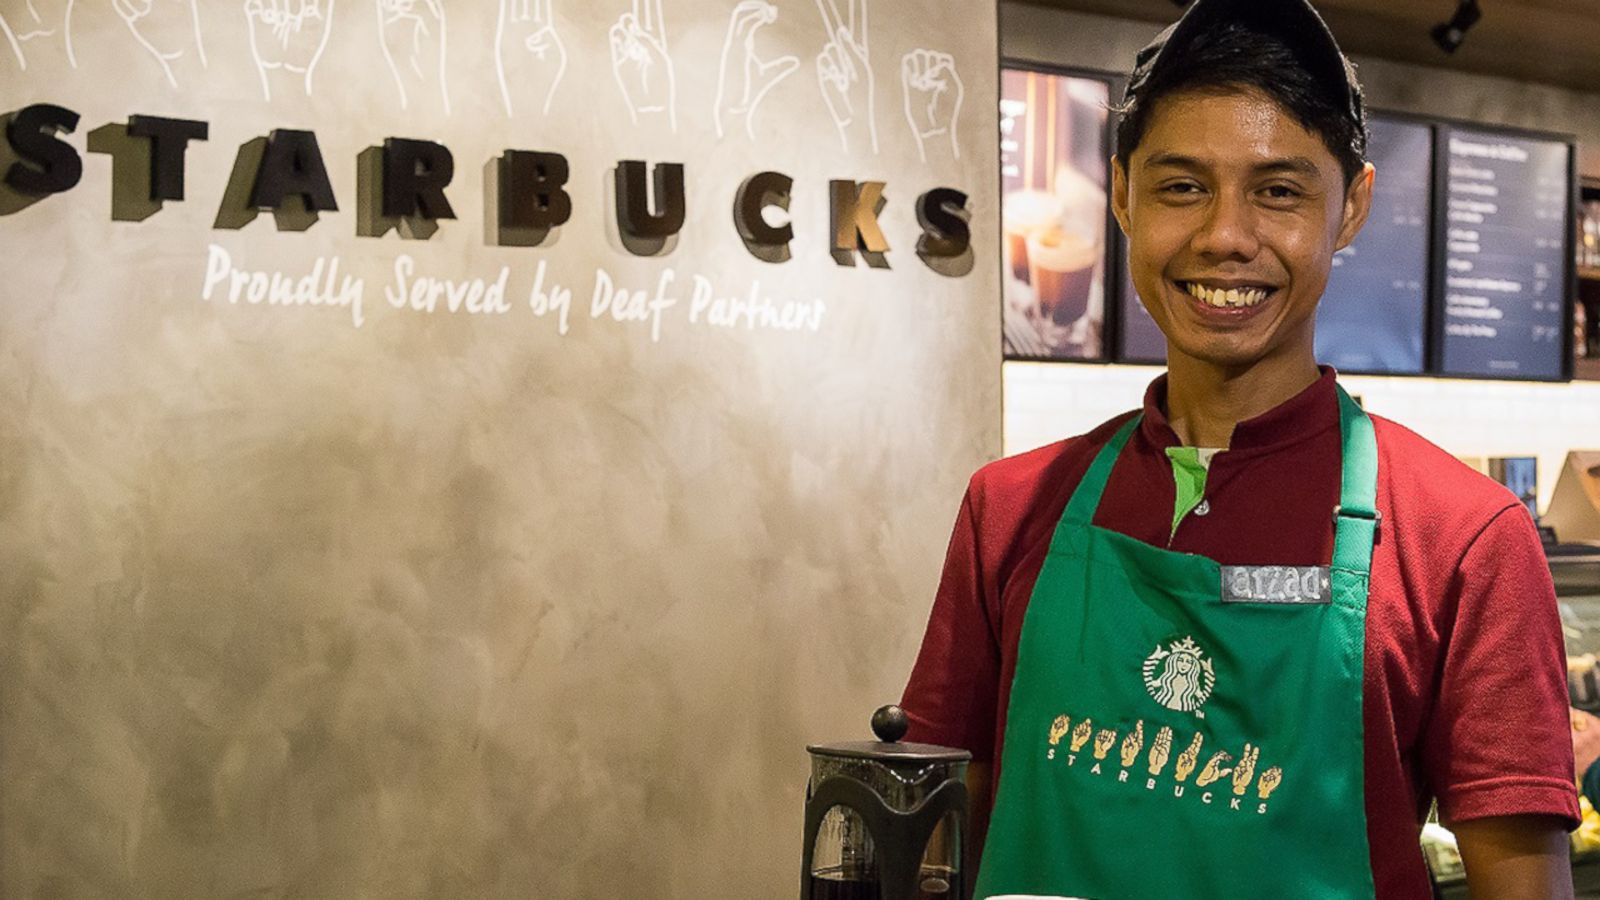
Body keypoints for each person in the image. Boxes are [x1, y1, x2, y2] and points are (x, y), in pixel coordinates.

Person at [899, 0, 1580, 897]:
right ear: (1122, 195)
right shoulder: (1009, 506)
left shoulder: (1467, 537)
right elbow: (934, 841)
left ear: (1352, 207)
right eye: (1182, 186)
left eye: (1279, 190)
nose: (1225, 235)